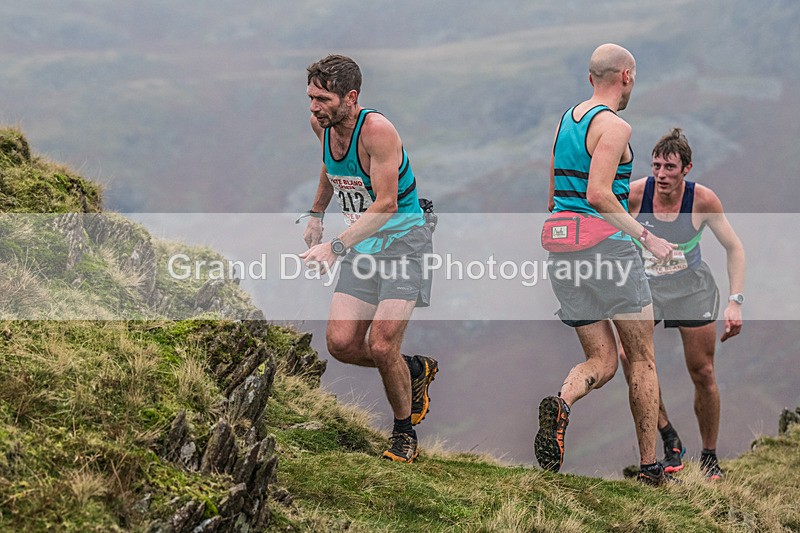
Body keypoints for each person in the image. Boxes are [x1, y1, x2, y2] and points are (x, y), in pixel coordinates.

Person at [536, 43, 677, 485]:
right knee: (641, 360)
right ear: (627, 77)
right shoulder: (614, 126)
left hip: (562, 250)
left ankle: (561, 403)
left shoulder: (566, 121)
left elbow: (555, 194)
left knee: (602, 359)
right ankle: (651, 468)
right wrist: (647, 236)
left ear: (590, 78)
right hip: (609, 251)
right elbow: (599, 193)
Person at [298, 54, 438, 463]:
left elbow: (387, 204)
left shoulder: (377, 131)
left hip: (404, 244)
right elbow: (330, 165)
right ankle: (411, 370)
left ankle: (403, 433)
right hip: (363, 245)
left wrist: (336, 245)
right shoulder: (321, 125)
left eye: (322, 99)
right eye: (310, 97)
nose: (313, 107)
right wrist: (317, 213)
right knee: (341, 344)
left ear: (351, 97)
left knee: (380, 344)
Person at [619, 128, 745, 480]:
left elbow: (734, 247)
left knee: (702, 372)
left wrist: (735, 302)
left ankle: (709, 456)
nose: (661, 174)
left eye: (670, 167)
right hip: (648, 287)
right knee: (629, 358)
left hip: (691, 288)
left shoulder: (703, 200)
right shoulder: (636, 195)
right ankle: (668, 434)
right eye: (656, 165)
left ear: (686, 169)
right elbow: (602, 211)